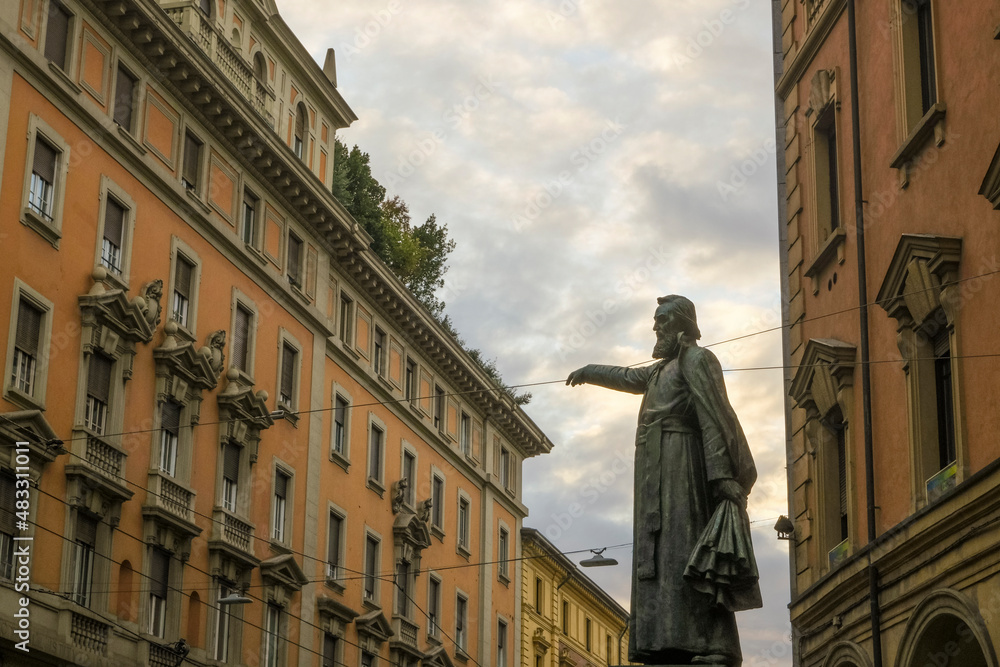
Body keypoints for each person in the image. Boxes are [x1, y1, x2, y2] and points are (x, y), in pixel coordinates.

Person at [566, 295, 761, 666]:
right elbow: (625, 377)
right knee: (658, 554)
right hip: (654, 467)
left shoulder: (698, 359)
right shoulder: (658, 371)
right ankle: (664, 643)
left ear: (683, 324)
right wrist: (590, 370)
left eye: (662, 320)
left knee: (683, 550)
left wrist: (720, 477)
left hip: (683, 461)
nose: (655, 327)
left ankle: (710, 645)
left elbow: (713, 417)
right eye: (655, 321)